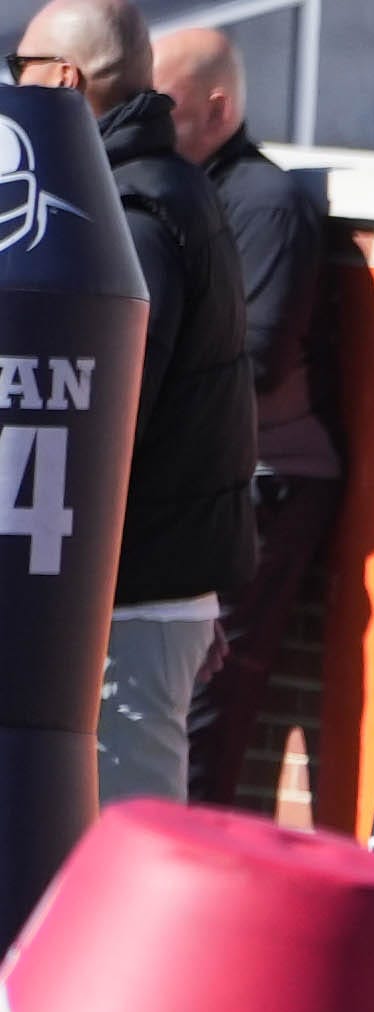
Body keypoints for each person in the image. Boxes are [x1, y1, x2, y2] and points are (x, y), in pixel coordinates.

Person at [13, 0, 255, 806]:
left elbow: (114, 420)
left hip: (127, 603)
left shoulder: (130, 215)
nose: (13, 87)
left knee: (119, 849)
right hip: (145, 596)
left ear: (64, 78)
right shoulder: (163, 190)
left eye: (20, 68)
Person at [155, 26, 343, 811]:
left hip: (264, 483)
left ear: (218, 108)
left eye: (160, 105)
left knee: (204, 705)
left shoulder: (263, 203)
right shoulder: (160, 191)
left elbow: (254, 362)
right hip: (197, 481)